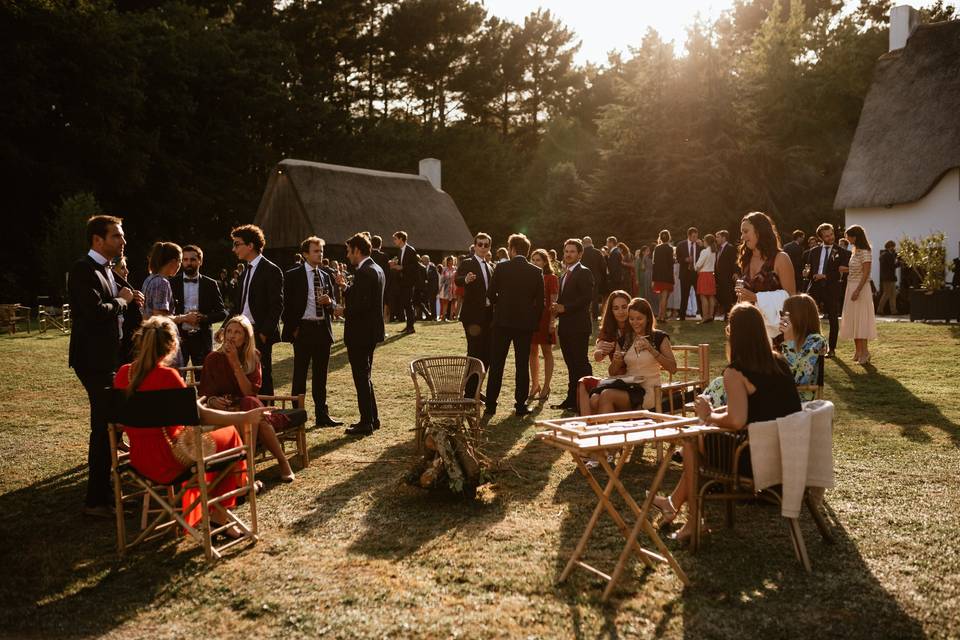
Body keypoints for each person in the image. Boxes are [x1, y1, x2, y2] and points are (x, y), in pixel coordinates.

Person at [654, 303, 802, 542]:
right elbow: (758, 406)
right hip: (786, 454)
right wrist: (716, 412)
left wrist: (708, 415)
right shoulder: (779, 363)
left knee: (692, 442)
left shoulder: (736, 372)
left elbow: (737, 419)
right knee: (699, 438)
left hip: (753, 459)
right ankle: (673, 503)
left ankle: (694, 521)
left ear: (735, 333)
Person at [115, 316, 271, 533]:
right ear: (172, 346)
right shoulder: (169, 377)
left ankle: (226, 505)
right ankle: (228, 503)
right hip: (172, 458)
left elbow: (122, 421)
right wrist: (244, 417)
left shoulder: (124, 373)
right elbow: (201, 416)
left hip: (139, 458)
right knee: (230, 436)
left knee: (217, 440)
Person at [69, 215, 144, 517]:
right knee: (103, 428)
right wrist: (123, 300)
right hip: (93, 361)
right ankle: (96, 502)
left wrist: (129, 300)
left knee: (110, 428)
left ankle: (109, 495)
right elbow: (93, 312)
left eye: (122, 236)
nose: (123, 241)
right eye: (116, 236)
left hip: (113, 359)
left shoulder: (109, 270)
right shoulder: (82, 270)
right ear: (97, 240)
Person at [199, 315, 296, 482]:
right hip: (223, 409)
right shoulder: (213, 358)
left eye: (237, 332)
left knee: (250, 406)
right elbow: (205, 394)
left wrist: (235, 363)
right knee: (257, 416)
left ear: (245, 338)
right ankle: (281, 463)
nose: (231, 336)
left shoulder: (253, 357)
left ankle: (249, 469)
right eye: (229, 331)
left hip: (246, 405)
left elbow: (249, 392)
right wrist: (213, 401)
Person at [702, 293, 826, 405]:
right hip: (775, 391)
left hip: (795, 398)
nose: (781, 318)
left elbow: (795, 378)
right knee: (722, 383)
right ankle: (703, 405)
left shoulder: (815, 341)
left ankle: (705, 410)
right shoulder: (791, 341)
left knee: (723, 386)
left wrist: (789, 340)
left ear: (798, 316)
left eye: (784, 314)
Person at [282, 236, 342, 429]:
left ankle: (322, 416)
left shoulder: (325, 275)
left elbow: (332, 304)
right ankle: (296, 417)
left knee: (320, 376)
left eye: (321, 251)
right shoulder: (292, 275)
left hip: (322, 330)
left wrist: (330, 303)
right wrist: (294, 329)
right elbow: (286, 305)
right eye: (316, 251)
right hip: (303, 329)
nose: (320, 254)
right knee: (299, 376)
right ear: (305, 254)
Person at [582, 297, 677, 415]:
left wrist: (651, 350)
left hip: (649, 389)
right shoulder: (625, 340)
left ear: (648, 318)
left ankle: (606, 431)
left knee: (607, 395)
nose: (635, 322)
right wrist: (617, 362)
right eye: (631, 319)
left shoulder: (659, 338)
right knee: (595, 398)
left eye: (639, 319)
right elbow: (612, 372)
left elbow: (673, 368)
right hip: (629, 386)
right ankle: (610, 429)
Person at [485, 234, 544, 417]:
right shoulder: (535, 271)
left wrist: (501, 303)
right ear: (526, 251)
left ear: (511, 250)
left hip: (502, 321)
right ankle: (520, 404)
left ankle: (491, 405)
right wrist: (532, 320)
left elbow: (490, 293)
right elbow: (540, 302)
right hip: (524, 324)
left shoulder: (501, 268)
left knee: (497, 364)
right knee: (521, 364)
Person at [335, 232, 386, 436]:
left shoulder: (365, 272)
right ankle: (373, 418)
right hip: (370, 331)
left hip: (361, 332)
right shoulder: (376, 268)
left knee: (361, 377)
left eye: (349, 251)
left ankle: (366, 421)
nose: (348, 256)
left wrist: (342, 311)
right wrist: (345, 287)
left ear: (357, 250)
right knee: (366, 375)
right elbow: (364, 297)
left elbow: (362, 305)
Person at [231, 224, 283, 395]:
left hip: (260, 332)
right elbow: (238, 306)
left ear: (250, 245)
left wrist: (264, 333)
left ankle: (267, 415)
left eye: (237, 244)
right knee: (243, 374)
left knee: (263, 376)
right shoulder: (245, 271)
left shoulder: (271, 270)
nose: (234, 249)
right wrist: (225, 327)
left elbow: (277, 305)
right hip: (242, 330)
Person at [734, 212, 797, 337]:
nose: (742, 237)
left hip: (778, 333)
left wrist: (757, 298)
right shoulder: (746, 259)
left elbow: (791, 298)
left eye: (746, 231)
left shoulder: (780, 258)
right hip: (750, 330)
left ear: (760, 231)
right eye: (742, 232)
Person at [551, 239, 595, 412]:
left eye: (572, 251)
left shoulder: (584, 272)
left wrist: (565, 307)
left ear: (580, 254)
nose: (568, 254)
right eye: (566, 251)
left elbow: (586, 299)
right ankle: (571, 400)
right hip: (566, 326)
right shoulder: (564, 274)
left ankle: (587, 400)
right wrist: (557, 307)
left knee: (581, 364)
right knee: (571, 365)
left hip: (579, 327)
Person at [170, 244, 227, 370]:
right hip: (178, 338)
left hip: (202, 339)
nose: (188, 263)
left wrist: (204, 318)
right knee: (177, 377)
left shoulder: (210, 284)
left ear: (200, 261)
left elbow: (222, 313)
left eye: (192, 259)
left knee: (204, 377)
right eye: (185, 260)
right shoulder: (171, 283)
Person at [576, 290, 632, 415]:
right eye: (616, 308)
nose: (621, 311)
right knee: (583, 383)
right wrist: (600, 351)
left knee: (596, 400)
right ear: (611, 311)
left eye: (624, 307)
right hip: (615, 377)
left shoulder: (635, 325)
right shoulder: (609, 329)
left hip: (632, 378)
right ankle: (587, 427)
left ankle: (594, 428)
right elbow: (597, 356)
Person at [455, 232, 495, 398]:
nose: (483, 247)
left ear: (489, 247)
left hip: (488, 315)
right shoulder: (468, 262)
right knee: (474, 353)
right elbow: (457, 279)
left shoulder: (490, 266)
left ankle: (476, 389)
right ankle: (469, 392)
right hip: (472, 317)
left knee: (487, 355)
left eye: (486, 245)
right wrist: (466, 279)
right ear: (475, 246)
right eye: (480, 244)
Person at [804, 222, 849, 357]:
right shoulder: (813, 251)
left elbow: (841, 273)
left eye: (832, 234)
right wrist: (807, 273)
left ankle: (832, 349)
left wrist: (825, 276)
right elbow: (809, 269)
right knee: (809, 318)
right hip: (815, 288)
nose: (831, 237)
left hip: (831, 289)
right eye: (827, 236)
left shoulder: (843, 252)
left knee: (833, 320)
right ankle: (813, 345)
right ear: (821, 238)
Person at [839, 225, 878, 364]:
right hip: (851, 285)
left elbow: (866, 273)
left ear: (855, 236)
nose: (846, 239)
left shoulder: (865, 251)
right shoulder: (855, 250)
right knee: (853, 319)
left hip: (861, 288)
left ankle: (865, 352)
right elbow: (856, 269)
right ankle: (858, 351)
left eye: (848, 236)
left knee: (861, 319)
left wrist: (857, 290)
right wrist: (846, 269)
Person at [528, 249, 559, 403]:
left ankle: (546, 386)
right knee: (532, 351)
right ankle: (535, 385)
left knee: (546, 351)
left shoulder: (551, 278)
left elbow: (553, 301)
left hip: (546, 318)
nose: (535, 263)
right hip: (531, 318)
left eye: (538, 260)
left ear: (545, 262)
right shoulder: (529, 277)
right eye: (533, 260)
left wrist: (552, 321)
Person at [142, 242, 182, 320]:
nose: (180, 265)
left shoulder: (150, 278)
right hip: (158, 331)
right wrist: (185, 318)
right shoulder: (162, 282)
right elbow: (160, 318)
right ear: (173, 262)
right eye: (180, 261)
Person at [389, 231, 418, 334]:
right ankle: (409, 326)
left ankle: (411, 327)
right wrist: (395, 264)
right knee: (405, 304)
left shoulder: (411, 250)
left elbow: (414, 267)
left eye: (395, 239)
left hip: (409, 282)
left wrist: (401, 267)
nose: (394, 241)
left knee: (408, 304)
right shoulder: (400, 251)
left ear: (401, 239)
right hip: (402, 281)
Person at [675, 227, 702, 320]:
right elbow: (677, 258)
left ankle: (703, 315)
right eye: (694, 236)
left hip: (696, 273)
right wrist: (685, 259)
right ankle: (682, 316)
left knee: (699, 295)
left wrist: (702, 245)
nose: (695, 238)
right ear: (689, 236)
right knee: (684, 295)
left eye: (696, 236)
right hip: (685, 273)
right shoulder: (681, 245)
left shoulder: (699, 245)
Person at [581, 237, 607, 320]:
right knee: (595, 298)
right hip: (595, 278)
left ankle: (584, 315)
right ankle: (595, 316)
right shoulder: (597, 252)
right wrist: (603, 276)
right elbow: (603, 266)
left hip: (583, 278)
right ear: (591, 242)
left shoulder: (581, 253)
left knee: (583, 297)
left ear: (584, 243)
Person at [714, 230, 738, 319]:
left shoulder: (730, 248)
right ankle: (725, 315)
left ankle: (728, 317)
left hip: (727, 277)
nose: (716, 239)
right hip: (719, 278)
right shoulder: (718, 248)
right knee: (722, 296)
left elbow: (734, 261)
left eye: (718, 237)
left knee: (728, 297)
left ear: (724, 238)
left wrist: (735, 272)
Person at [695, 233, 718, 323]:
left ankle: (705, 317)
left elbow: (698, 264)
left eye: (704, 240)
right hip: (711, 274)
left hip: (704, 274)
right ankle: (710, 316)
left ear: (707, 241)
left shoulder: (705, 251)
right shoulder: (713, 251)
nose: (703, 242)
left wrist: (696, 267)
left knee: (703, 296)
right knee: (711, 296)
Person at [652, 230, 675, 322]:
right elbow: (670, 264)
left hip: (658, 275)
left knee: (661, 296)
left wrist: (653, 278)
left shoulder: (657, 248)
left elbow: (654, 264)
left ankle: (660, 315)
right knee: (665, 296)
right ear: (669, 238)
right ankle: (662, 316)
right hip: (667, 275)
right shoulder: (670, 249)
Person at [878, 240, 899, 315]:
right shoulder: (887, 255)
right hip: (888, 278)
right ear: (890, 247)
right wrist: (899, 263)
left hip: (889, 278)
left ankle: (894, 310)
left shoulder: (885, 254)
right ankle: (880, 309)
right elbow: (892, 266)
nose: (894, 248)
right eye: (893, 246)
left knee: (892, 294)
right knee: (886, 294)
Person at [438, 256, 458, 321]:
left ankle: (451, 316)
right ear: (447, 262)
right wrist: (440, 288)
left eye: (452, 261)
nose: (450, 262)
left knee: (453, 302)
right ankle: (443, 316)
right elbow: (441, 279)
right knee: (445, 302)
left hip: (454, 287)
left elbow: (457, 278)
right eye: (449, 261)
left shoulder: (455, 269)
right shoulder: (444, 269)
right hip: (446, 287)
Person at [422, 254, 439, 320]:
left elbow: (436, 279)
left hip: (432, 289)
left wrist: (436, 289)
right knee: (425, 303)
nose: (424, 262)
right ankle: (428, 316)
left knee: (432, 303)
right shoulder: (422, 267)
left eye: (425, 260)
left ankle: (434, 316)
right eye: (423, 261)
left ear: (428, 260)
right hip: (424, 289)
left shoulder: (433, 268)